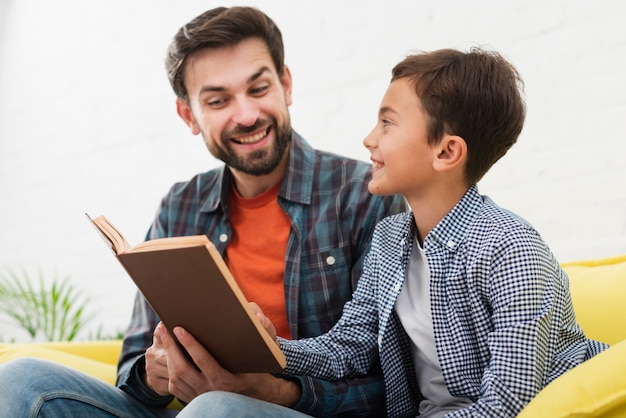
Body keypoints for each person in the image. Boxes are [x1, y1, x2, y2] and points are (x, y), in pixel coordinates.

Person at [0, 6, 406, 418]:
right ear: (189, 115)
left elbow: (393, 383)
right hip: (190, 412)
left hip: (293, 412)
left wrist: (276, 392)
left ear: (285, 85)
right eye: (218, 100)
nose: (246, 115)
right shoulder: (180, 207)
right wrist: (155, 373)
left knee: (215, 409)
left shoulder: (365, 194)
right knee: (18, 381)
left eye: (259, 88)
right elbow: (133, 369)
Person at [251, 47, 609, 417]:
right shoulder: (391, 239)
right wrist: (267, 346)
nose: (369, 139)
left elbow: (506, 406)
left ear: (446, 152)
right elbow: (349, 346)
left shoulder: (510, 249)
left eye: (387, 123)